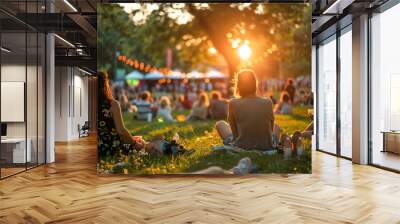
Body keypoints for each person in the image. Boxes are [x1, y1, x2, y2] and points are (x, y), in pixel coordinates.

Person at [97, 72, 159, 157]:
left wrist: (130, 138)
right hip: (109, 148)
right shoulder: (112, 104)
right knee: (142, 143)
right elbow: (121, 131)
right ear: (105, 85)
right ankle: (162, 150)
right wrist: (134, 143)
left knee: (135, 139)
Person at [215, 69, 276, 151]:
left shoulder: (233, 103)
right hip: (266, 145)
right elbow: (271, 128)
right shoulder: (268, 102)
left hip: (242, 145)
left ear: (238, 85)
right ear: (255, 84)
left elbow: (235, 133)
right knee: (277, 127)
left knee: (220, 124)